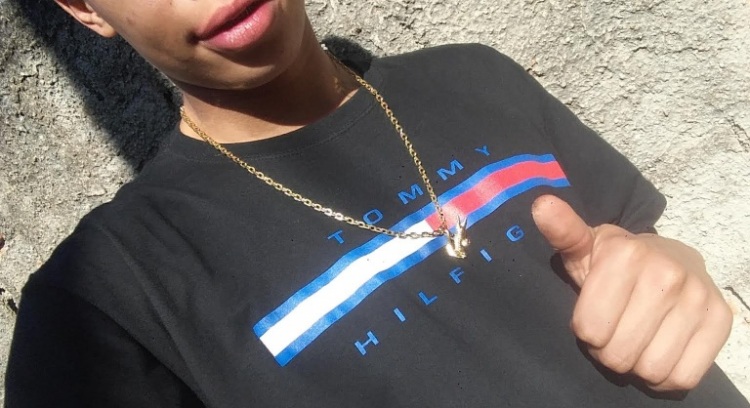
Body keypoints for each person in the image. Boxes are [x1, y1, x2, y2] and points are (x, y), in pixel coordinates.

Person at [5, 0, 749, 406]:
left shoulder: (476, 78)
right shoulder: (105, 300)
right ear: (85, 7)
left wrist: (673, 267)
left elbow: (639, 244)